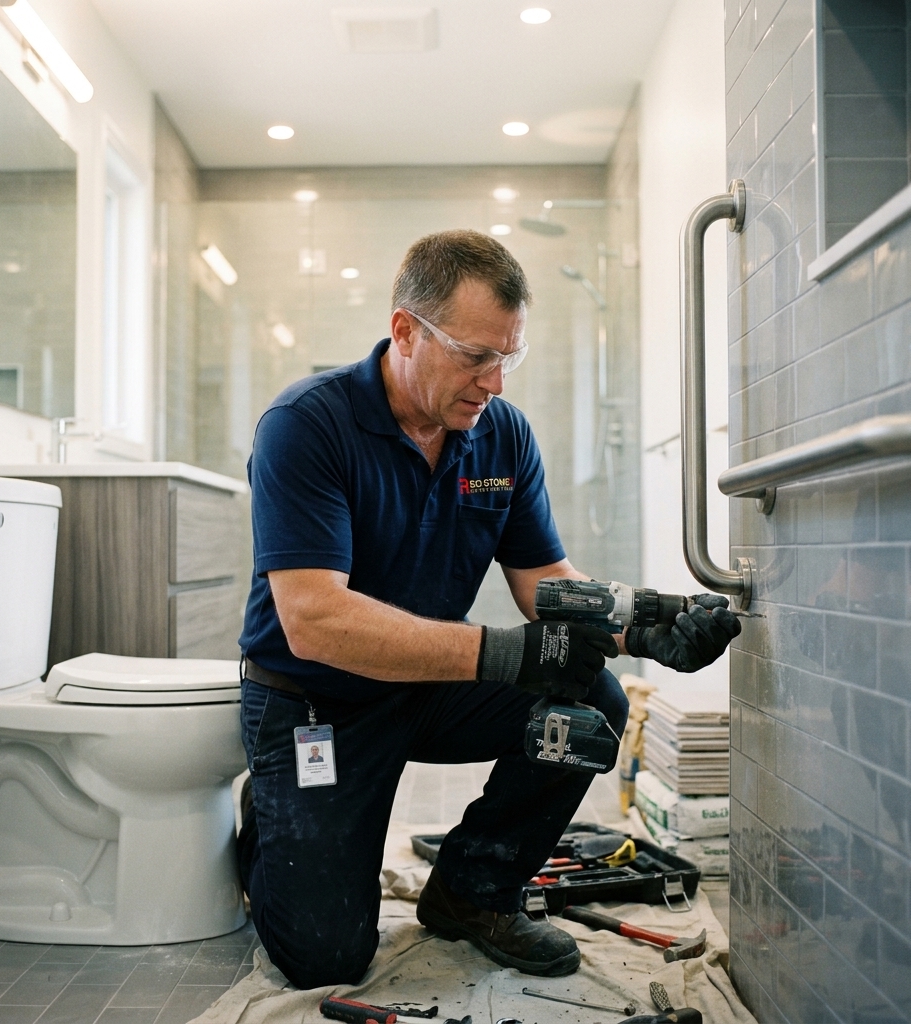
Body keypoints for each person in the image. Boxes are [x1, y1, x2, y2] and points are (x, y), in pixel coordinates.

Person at [236, 230, 739, 989]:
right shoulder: (308, 425)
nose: (495, 382)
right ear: (405, 329)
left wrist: (640, 624)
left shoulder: (500, 435)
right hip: (316, 703)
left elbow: (543, 578)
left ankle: (474, 891)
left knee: (589, 703)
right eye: (476, 356)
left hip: (428, 690)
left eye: (509, 356)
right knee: (323, 957)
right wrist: (507, 653)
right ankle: (269, 828)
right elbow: (315, 620)